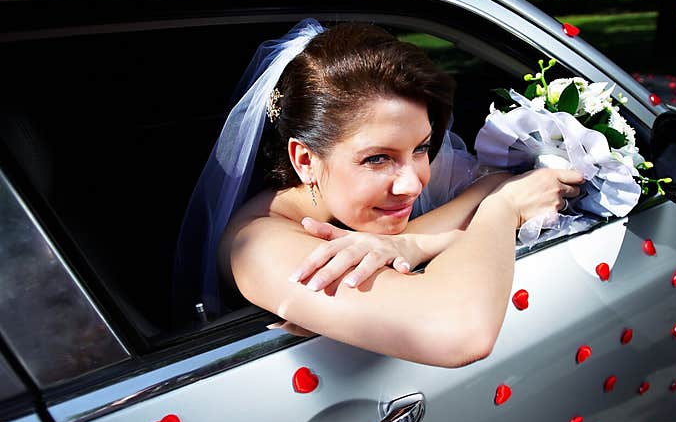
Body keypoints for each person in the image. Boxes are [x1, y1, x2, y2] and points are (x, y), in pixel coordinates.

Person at [174, 19, 583, 367]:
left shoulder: (361, 203)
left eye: (421, 148)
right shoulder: (258, 245)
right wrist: (503, 211)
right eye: (376, 159)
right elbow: (462, 333)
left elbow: (488, 184)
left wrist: (415, 244)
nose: (412, 182)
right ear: (304, 159)